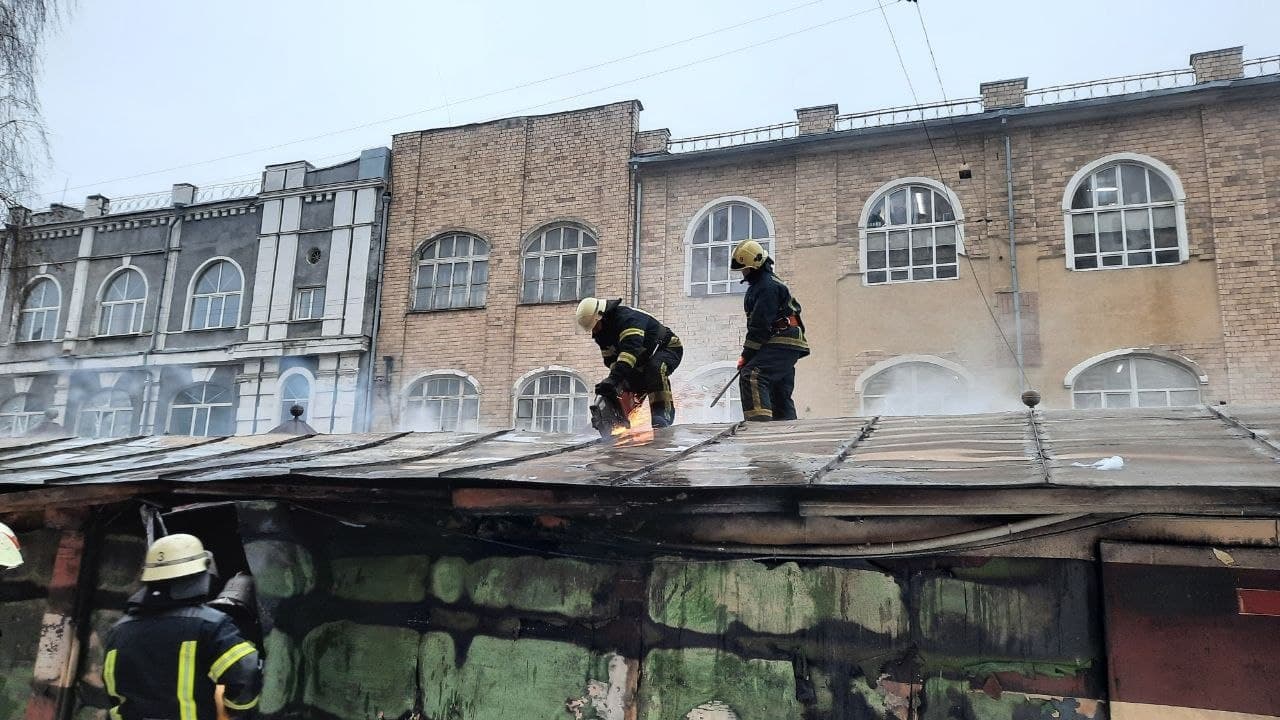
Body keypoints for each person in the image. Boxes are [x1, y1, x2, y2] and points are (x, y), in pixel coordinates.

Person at [103, 533, 262, 720]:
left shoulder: (119, 631)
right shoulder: (209, 625)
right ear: (198, 575)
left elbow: (112, 690)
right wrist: (235, 711)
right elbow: (246, 670)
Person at [731, 239, 809, 421]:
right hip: (784, 342)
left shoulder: (767, 287)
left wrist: (746, 355)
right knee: (778, 389)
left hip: (780, 340)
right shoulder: (767, 284)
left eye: (745, 268)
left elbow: (759, 326)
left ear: (756, 265)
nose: (743, 273)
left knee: (752, 375)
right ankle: (786, 430)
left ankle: (759, 427)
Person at [575, 297, 683, 428]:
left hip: (667, 348)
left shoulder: (628, 320)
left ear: (601, 316)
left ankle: (663, 415)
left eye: (595, 326)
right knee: (625, 384)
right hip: (641, 359)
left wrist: (614, 378)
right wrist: (614, 382)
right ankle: (615, 420)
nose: (594, 331)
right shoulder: (601, 333)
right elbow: (611, 360)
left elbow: (630, 353)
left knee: (654, 369)